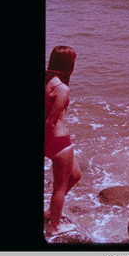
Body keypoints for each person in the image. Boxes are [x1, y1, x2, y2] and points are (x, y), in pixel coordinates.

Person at [44, 45, 82, 235]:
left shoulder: (47, 81)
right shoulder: (62, 88)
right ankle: (54, 226)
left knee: (75, 175)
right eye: (73, 61)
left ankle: (51, 211)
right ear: (68, 63)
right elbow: (51, 122)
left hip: (50, 140)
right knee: (60, 186)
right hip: (58, 140)